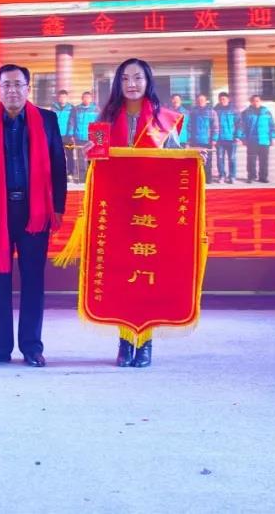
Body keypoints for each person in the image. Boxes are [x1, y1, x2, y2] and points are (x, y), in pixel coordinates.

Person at [0, 64, 66, 368]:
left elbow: (59, 165)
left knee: (33, 279)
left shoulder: (47, 120)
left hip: (34, 211)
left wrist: (58, 207)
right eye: (6, 85)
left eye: (18, 84)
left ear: (28, 88)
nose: (12, 90)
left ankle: (31, 347)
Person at [92, 58, 184, 367]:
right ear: (118, 84)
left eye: (138, 78)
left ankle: (145, 342)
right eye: (125, 78)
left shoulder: (165, 119)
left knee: (147, 275)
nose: (131, 84)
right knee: (121, 275)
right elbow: (96, 164)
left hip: (151, 210)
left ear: (148, 81)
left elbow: (175, 160)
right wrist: (91, 154)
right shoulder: (104, 119)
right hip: (118, 208)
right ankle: (124, 341)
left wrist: (193, 159)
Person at [237, 95, 275, 184]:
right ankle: (251, 176)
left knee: (264, 160)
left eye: (257, 101)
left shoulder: (266, 112)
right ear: (251, 102)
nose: (256, 103)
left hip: (264, 140)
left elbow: (272, 125)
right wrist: (242, 138)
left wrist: (273, 137)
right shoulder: (246, 113)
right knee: (251, 160)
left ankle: (263, 177)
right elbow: (241, 126)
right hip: (252, 140)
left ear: (260, 101)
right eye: (254, 101)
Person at [70, 90, 99, 183]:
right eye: (84, 97)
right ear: (82, 99)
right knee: (80, 158)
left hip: (91, 138)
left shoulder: (96, 109)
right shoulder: (76, 109)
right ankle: (82, 178)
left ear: (91, 99)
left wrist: (97, 138)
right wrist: (71, 134)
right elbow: (72, 122)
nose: (86, 99)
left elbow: (99, 123)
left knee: (91, 158)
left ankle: (90, 177)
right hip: (79, 137)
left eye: (88, 97)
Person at [189, 94, 219, 184]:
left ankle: (207, 179)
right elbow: (189, 126)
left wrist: (214, 139)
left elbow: (215, 127)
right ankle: (197, 179)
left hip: (207, 141)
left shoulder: (212, 112)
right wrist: (189, 139)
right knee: (195, 161)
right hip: (195, 140)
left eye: (202, 100)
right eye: (198, 100)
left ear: (206, 101)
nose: (200, 102)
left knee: (208, 161)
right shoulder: (192, 112)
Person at [50, 90, 75, 184]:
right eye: (61, 97)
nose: (62, 99)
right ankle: (58, 173)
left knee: (70, 155)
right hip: (57, 136)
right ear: (58, 98)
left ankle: (70, 174)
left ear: (67, 98)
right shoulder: (53, 107)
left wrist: (71, 134)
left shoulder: (71, 108)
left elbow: (73, 122)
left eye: (64, 97)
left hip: (68, 136)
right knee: (57, 155)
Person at [214, 92, 238, 185]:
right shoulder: (215, 110)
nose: (222, 101)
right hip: (219, 139)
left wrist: (237, 136)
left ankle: (232, 176)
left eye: (224, 99)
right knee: (220, 158)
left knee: (232, 158)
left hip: (231, 139)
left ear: (228, 99)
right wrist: (214, 138)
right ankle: (222, 176)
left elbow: (239, 123)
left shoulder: (234, 110)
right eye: (220, 99)